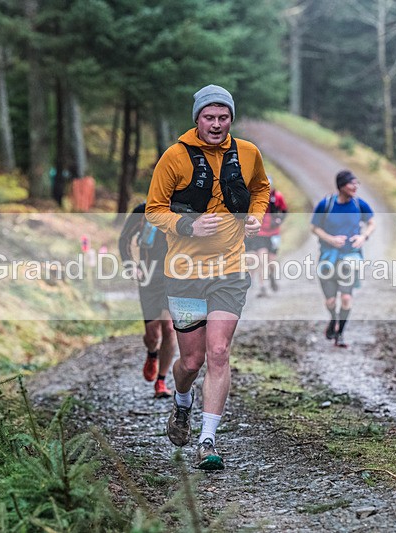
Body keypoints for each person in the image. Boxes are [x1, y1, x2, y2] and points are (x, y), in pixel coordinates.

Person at [146, 84, 270, 470]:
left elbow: (261, 189)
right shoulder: (174, 157)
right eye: (209, 117)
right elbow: (153, 210)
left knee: (218, 352)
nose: (216, 124)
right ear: (197, 119)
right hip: (184, 273)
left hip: (230, 271)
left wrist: (256, 217)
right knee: (192, 360)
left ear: (231, 118)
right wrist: (187, 226)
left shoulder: (248, 153)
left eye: (223, 117)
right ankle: (182, 404)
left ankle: (208, 440)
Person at [118, 203, 177, 399]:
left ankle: (161, 381)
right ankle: (152, 353)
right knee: (153, 335)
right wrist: (130, 265)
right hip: (149, 277)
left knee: (169, 328)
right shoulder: (142, 211)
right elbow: (124, 239)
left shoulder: (181, 208)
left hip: (174, 276)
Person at [310, 170, 375, 348]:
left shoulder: (359, 204)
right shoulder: (327, 204)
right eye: (351, 183)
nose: (355, 187)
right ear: (341, 186)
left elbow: (371, 223)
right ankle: (334, 319)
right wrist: (330, 239)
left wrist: (363, 237)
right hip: (328, 258)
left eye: (356, 183)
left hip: (350, 258)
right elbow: (314, 227)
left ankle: (340, 333)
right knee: (330, 301)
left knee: (346, 298)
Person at [245, 175, 288, 296]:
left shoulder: (277, 196)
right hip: (261, 233)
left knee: (272, 261)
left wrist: (279, 219)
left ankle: (271, 276)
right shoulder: (254, 197)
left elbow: (285, 211)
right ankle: (262, 287)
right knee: (262, 259)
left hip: (274, 233)